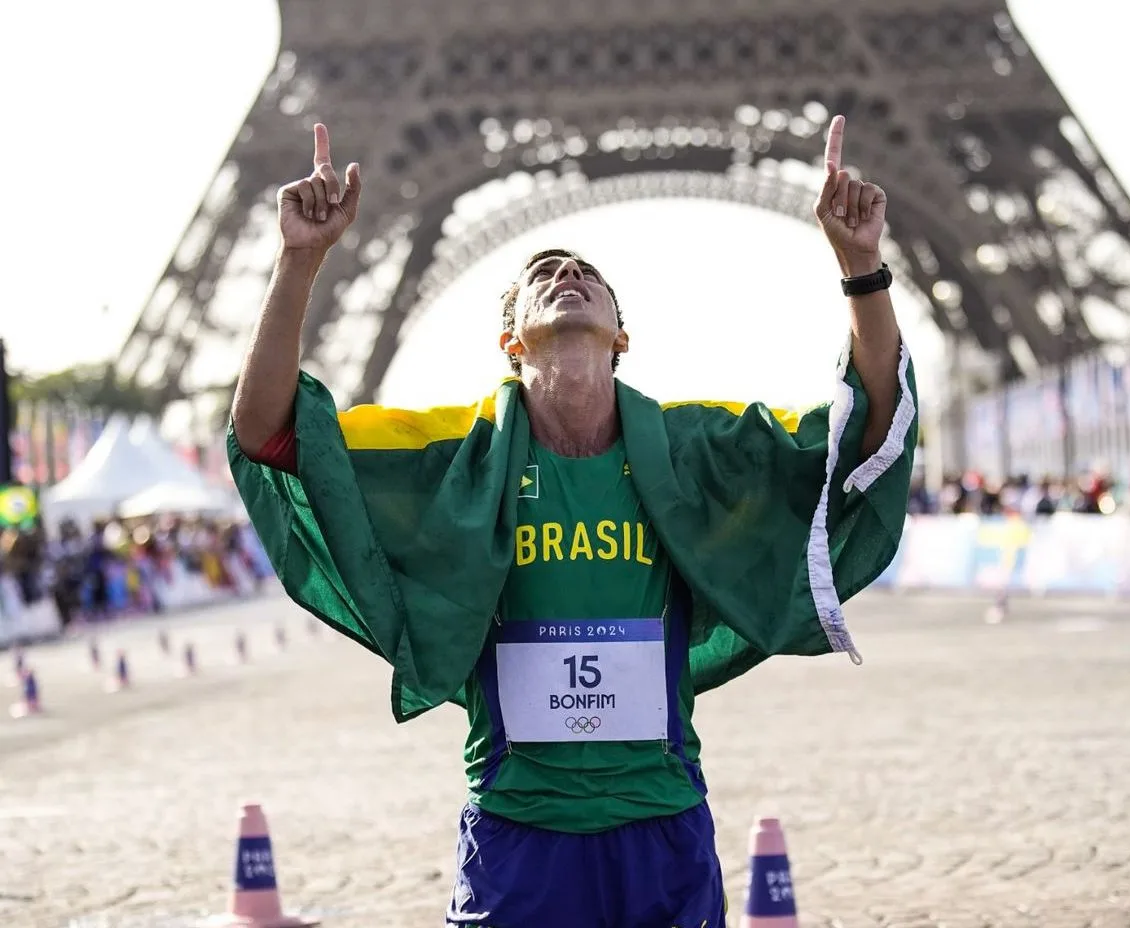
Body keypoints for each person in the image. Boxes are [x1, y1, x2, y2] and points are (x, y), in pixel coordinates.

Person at [229, 116, 917, 928]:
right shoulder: (452, 454)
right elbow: (269, 434)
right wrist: (298, 262)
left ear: (622, 336)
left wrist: (861, 267)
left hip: (660, 823)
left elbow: (864, 431)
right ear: (509, 340)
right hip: (521, 831)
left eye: (588, 273)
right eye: (544, 272)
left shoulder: (695, 447)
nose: (566, 273)